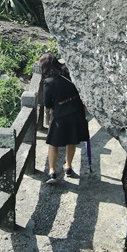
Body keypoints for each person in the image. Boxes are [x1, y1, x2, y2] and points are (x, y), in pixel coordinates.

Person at [39, 53, 90, 184]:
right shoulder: (69, 72)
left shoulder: (49, 82)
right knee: (71, 141)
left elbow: (47, 104)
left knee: (53, 144)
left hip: (60, 116)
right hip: (76, 112)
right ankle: (68, 166)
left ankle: (52, 172)